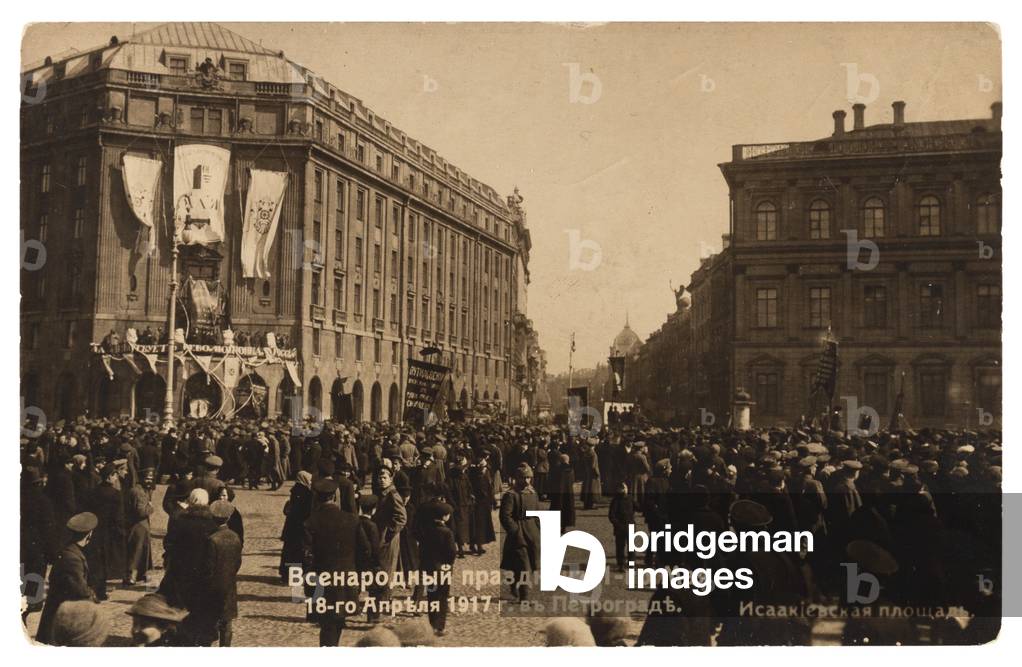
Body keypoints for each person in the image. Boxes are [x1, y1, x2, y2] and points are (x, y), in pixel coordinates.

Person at [303, 477, 372, 646]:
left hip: (321, 582)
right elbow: (365, 550)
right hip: (346, 580)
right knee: (337, 620)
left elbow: (305, 556)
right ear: (335, 497)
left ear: (317, 498)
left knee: (326, 624)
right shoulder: (352, 520)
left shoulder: (310, 522)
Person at [160, 488, 218, 646]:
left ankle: (183, 638)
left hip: (181, 573)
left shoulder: (180, 521)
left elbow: (169, 544)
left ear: (190, 502)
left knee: (182, 606)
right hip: (203, 574)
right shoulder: (212, 524)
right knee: (200, 607)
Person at [37, 512, 98, 644]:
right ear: (89, 534)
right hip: (62, 616)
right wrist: (92, 595)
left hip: (59, 611)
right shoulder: (72, 558)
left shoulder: (70, 550)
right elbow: (79, 589)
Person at [499, 464, 541, 601]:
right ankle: (525, 597)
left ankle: (514, 584)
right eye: (524, 478)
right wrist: (515, 530)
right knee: (524, 565)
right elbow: (505, 516)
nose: (527, 481)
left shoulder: (533, 493)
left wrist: (539, 529)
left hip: (532, 532)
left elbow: (537, 513)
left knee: (529, 562)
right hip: (519, 533)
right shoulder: (511, 495)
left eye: (529, 477)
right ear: (517, 479)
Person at [85, 463, 125, 600]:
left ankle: (92, 588)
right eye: (114, 475)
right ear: (109, 477)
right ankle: (100, 591)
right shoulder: (116, 494)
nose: (116, 478)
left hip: (94, 530)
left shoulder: (93, 491)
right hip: (108, 532)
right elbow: (117, 517)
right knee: (104, 561)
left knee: (94, 560)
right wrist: (120, 532)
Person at [418, 501, 457, 636]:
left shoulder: (427, 530)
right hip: (443, 570)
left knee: (431, 596)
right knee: (442, 597)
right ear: (445, 516)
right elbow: (452, 552)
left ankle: (431, 623)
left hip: (430, 568)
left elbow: (422, 550)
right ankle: (439, 626)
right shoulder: (447, 532)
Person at [207, 500, 243, 647]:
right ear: (228, 518)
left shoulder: (211, 539)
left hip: (213, 585)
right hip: (229, 584)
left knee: (210, 619)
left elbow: (208, 566)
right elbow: (238, 562)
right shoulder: (235, 537)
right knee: (227, 622)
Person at [373, 466, 407, 610]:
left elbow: (402, 518)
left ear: (391, 479)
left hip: (389, 538)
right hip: (382, 535)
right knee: (383, 568)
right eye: (380, 478)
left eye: (384, 477)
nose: (381, 480)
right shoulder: (383, 494)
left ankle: (385, 600)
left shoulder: (393, 495)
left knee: (387, 568)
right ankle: (384, 598)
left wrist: (389, 533)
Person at [279, 470, 314, 582]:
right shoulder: (305, 492)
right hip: (299, 527)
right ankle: (295, 574)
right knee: (297, 551)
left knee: (290, 551)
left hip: (291, 526)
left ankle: (287, 573)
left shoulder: (296, 490)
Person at [125, 467, 155, 585]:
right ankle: (131, 576)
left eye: (151, 478)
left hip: (139, 524)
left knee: (140, 548)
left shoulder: (139, 490)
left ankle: (139, 574)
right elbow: (141, 512)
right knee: (138, 549)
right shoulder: (140, 493)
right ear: (141, 478)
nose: (149, 481)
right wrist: (151, 507)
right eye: (147, 478)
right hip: (139, 524)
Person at [608, 481, 634, 572]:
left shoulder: (630, 498)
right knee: (620, 547)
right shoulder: (616, 500)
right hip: (621, 527)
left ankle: (630, 563)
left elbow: (637, 507)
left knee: (631, 547)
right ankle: (621, 564)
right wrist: (618, 524)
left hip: (630, 526)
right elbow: (611, 515)